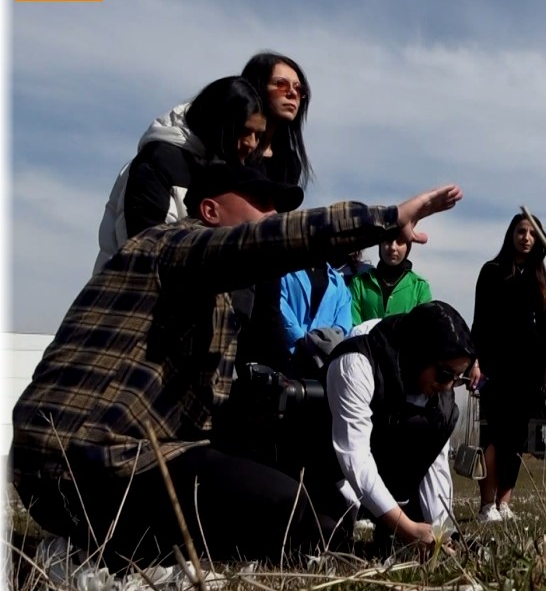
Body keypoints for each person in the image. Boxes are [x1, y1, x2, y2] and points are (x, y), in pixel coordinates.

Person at [10, 160, 463, 569]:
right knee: (293, 520)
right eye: (262, 202)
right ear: (210, 210)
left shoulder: (225, 300)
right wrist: (384, 221)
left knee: (324, 520)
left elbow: (219, 411)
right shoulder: (171, 244)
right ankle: (105, 546)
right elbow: (270, 242)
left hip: (137, 459)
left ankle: (114, 542)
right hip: (82, 461)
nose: (273, 214)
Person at [317, 302, 474, 550]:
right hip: (329, 471)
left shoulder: (439, 391)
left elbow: (435, 462)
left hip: (389, 479)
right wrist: (405, 527)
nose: (448, 386)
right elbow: (353, 457)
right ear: (420, 353)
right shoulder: (356, 364)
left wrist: (443, 532)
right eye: (445, 375)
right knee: (324, 540)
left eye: (457, 379)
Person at [93, 76, 267, 274]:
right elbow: (141, 248)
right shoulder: (157, 162)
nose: (251, 143)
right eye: (244, 131)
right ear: (220, 122)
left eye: (258, 135)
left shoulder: (223, 166)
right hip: (134, 297)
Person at [471, 214, 546, 522]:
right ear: (511, 234)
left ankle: (505, 502)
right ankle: (486, 504)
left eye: (533, 232)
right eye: (521, 231)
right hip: (496, 365)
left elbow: (544, 327)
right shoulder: (492, 271)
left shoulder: (539, 276)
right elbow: (479, 321)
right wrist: (474, 361)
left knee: (516, 439)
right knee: (493, 436)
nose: (526, 237)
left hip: (528, 369)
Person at [240, 51, 314, 188]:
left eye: (299, 89)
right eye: (281, 84)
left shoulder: (289, 162)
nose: (292, 93)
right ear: (257, 87)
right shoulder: (229, 148)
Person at [349, 239, 433, 325]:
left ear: (407, 247)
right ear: (380, 245)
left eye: (400, 242)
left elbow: (423, 330)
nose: (393, 247)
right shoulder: (359, 283)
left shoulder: (420, 287)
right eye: (388, 241)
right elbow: (353, 328)